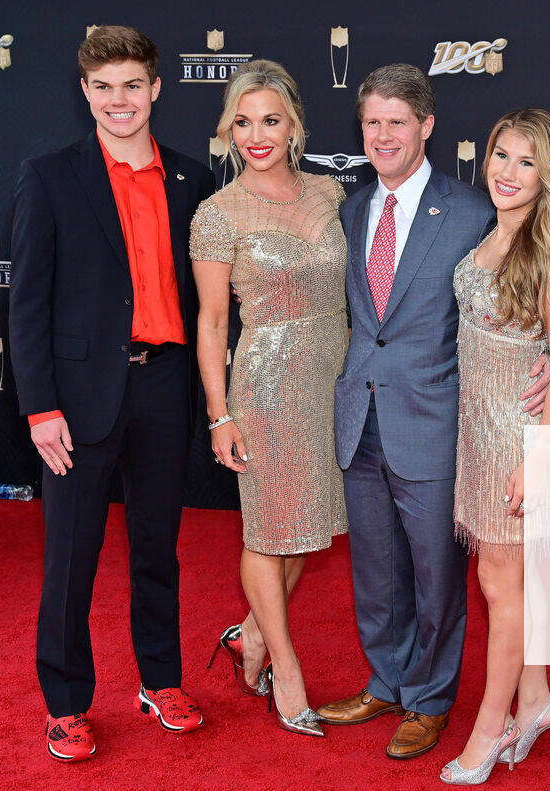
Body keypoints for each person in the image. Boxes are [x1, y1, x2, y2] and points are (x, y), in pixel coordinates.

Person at [315, 65, 550, 759]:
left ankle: (429, 698)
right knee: (376, 568)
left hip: (436, 421)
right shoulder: (353, 208)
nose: (383, 135)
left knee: (435, 576)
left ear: (427, 125)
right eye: (371, 123)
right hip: (360, 415)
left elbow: (515, 305)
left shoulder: (474, 210)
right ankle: (385, 679)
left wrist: (546, 362)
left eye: (397, 122)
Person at [9, 25, 214, 762]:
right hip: (77, 394)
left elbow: (213, 301)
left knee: (158, 546)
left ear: (157, 88)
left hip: (165, 383)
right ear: (85, 92)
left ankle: (162, 679)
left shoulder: (194, 179)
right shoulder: (49, 175)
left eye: (133, 84)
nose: (118, 100)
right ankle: (65, 702)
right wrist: (39, 405)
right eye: (103, 86)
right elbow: (26, 302)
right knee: (71, 553)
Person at [190, 60, 347, 738]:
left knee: (303, 531)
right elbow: (212, 323)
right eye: (243, 122)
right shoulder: (218, 213)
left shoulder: (331, 192)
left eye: (270, 121)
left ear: (294, 127)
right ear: (228, 130)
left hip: (332, 382)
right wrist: (220, 411)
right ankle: (285, 665)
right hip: (266, 386)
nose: (257, 135)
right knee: (269, 529)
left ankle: (250, 634)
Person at [439, 109, 550, 785]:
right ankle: (536, 699)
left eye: (527, 162)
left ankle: (490, 728)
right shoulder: (489, 236)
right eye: (502, 154)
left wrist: (539, 461)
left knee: (502, 584)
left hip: (518, 445)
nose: (507, 171)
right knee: (508, 582)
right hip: (477, 433)